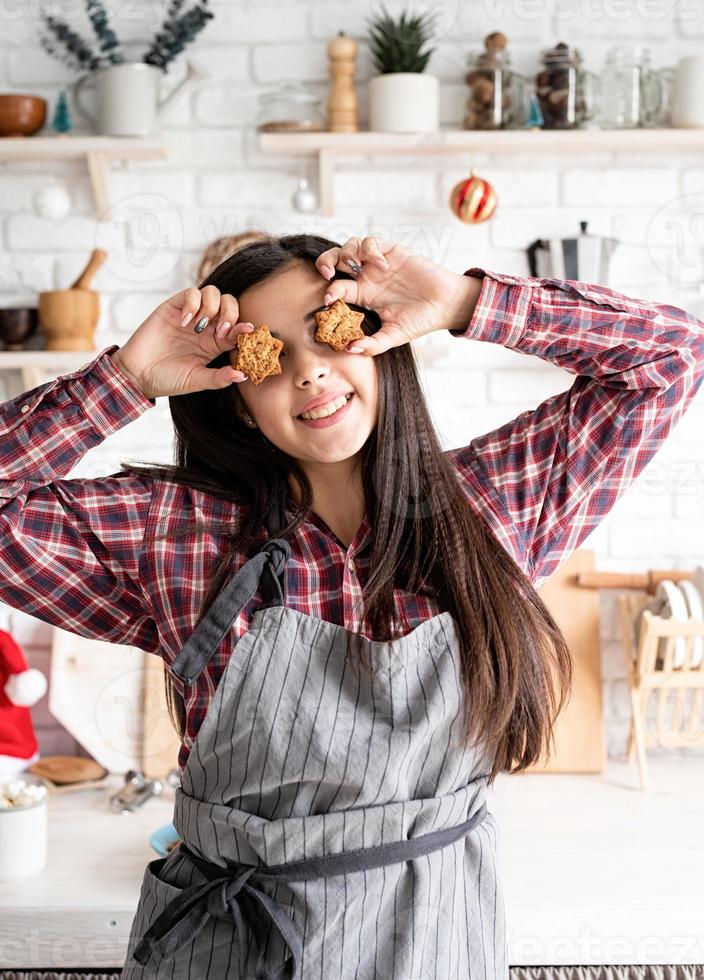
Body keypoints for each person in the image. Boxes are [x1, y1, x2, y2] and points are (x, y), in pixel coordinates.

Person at [1, 233, 702, 978]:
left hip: (433, 938)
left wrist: (465, 303)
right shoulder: (172, 532)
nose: (309, 373)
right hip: (232, 949)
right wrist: (127, 379)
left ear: (380, 340)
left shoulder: (492, 509)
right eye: (267, 356)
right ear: (236, 399)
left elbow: (670, 359)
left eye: (329, 332)